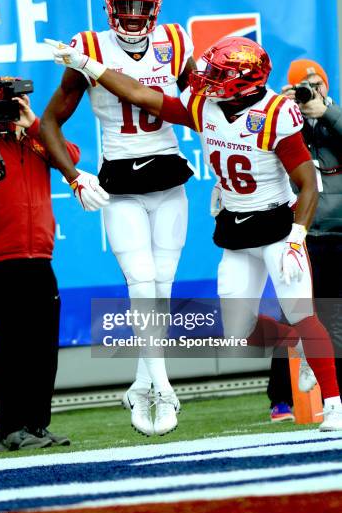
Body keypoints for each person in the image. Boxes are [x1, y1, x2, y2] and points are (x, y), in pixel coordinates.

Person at [47, 35, 342, 431]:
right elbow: (141, 94)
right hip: (236, 231)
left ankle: (335, 404)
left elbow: (308, 183)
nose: (206, 78)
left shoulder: (275, 112)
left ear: (245, 81)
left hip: (276, 226)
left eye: (219, 74)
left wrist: (296, 235)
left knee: (302, 312)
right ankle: (299, 348)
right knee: (240, 330)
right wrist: (89, 65)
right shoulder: (204, 105)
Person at [41, 0, 196, 437]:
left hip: (169, 177)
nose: (132, 16)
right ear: (111, 8)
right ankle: (164, 386)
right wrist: (73, 177)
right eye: (124, 7)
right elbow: (49, 122)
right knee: (141, 281)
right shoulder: (89, 47)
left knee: (162, 287)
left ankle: (141, 381)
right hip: (120, 181)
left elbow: (199, 109)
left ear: (155, 7)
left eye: (140, 7)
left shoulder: (175, 41)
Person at [0, 93, 81, 452]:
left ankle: (37, 426)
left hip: (39, 256)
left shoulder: (38, 140)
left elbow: (70, 157)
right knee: (13, 346)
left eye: (15, 106)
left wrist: (36, 124)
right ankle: (9, 430)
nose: (9, 115)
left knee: (43, 346)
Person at [266, 58, 342, 419]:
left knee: (336, 318)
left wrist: (325, 112)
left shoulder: (335, 117)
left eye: (317, 82)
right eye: (304, 84)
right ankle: (280, 396)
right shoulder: (285, 120)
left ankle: (334, 395)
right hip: (300, 233)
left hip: (337, 233)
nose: (313, 89)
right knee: (293, 315)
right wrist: (284, 109)